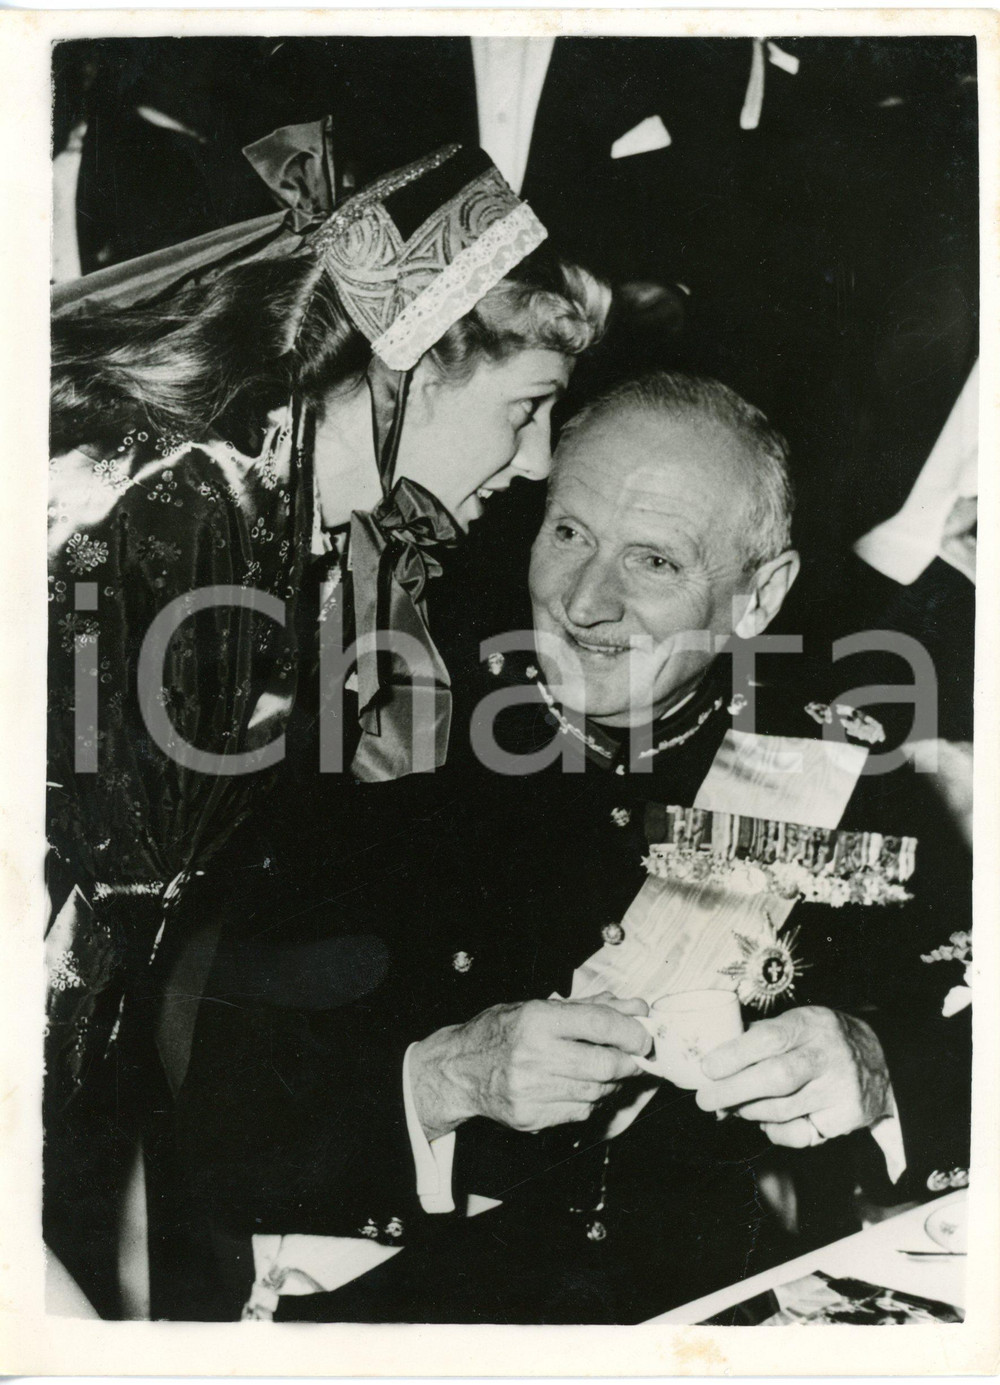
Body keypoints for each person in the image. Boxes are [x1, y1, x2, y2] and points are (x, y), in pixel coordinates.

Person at [173, 371, 971, 1323]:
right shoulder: (382, 741)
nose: (586, 601)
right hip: (413, 1310)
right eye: (569, 534)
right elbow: (208, 1119)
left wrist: (880, 1067)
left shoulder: (839, 775)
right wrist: (441, 1080)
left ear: (759, 596)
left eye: (656, 562)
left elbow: (967, 1043)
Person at [45, 122, 610, 1316]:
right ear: (410, 365)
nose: (533, 460)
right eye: (527, 405)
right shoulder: (181, 516)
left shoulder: (260, 520)